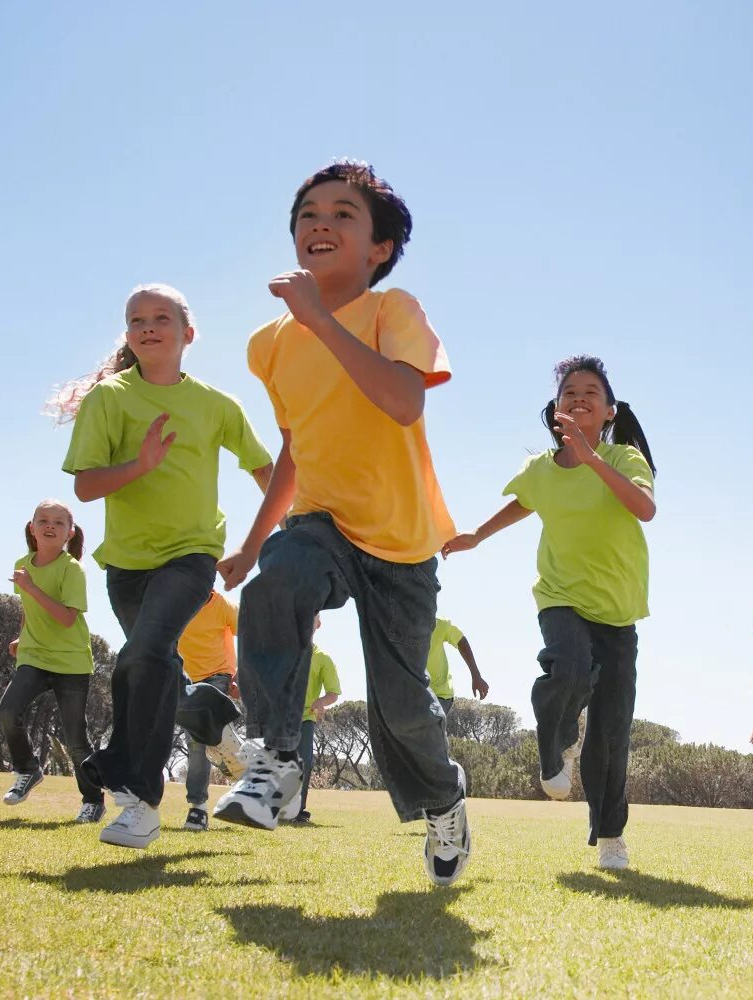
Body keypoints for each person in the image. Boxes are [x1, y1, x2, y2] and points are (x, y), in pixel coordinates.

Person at [215, 161, 472, 885]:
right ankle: (277, 761)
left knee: (401, 707)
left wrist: (321, 322)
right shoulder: (268, 345)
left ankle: (444, 798)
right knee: (277, 582)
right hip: (321, 519)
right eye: (308, 213)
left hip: (400, 540)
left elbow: (403, 401)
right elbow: (295, 448)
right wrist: (253, 543)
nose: (320, 223)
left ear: (379, 249)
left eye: (343, 214)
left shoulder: (395, 311)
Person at [57, 284, 274, 848]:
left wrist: (260, 542)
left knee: (144, 654)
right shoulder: (110, 399)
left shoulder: (217, 405)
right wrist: (140, 463)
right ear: (127, 334)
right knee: (155, 672)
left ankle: (137, 799)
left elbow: (264, 470)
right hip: (127, 565)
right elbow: (85, 486)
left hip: (192, 554)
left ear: (187, 333)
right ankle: (218, 726)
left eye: (161, 318)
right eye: (136, 320)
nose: (148, 327)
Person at [445, 355, 656, 871]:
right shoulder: (540, 469)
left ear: (609, 412)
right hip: (560, 596)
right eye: (569, 392)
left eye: (591, 392)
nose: (578, 397)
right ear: (555, 408)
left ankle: (609, 836)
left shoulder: (626, 458)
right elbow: (524, 502)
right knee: (568, 664)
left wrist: (592, 459)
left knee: (610, 734)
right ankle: (554, 743)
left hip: (618, 611)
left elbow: (644, 508)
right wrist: (477, 535)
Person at [0, 501, 105, 823]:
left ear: (69, 533)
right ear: (32, 528)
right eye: (43, 520)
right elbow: (29, 608)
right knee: (7, 711)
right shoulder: (22, 564)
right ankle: (28, 769)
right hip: (34, 655)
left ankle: (93, 801)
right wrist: (21, 636)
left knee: (75, 739)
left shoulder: (72, 569)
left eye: (59, 522)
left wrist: (29, 586)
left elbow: (66, 619)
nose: (50, 525)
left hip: (71, 662)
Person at [178, 590, 240, 831]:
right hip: (185, 679)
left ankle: (197, 809)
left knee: (197, 742)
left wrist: (242, 674)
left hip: (217, 675)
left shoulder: (223, 605)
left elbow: (251, 632)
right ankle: (229, 761)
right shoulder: (175, 601)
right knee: (201, 743)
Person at [294, 618, 343, 824]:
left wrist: (320, 702)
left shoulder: (323, 658)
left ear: (318, 625)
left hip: (305, 718)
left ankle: (297, 810)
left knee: (304, 762)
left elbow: (333, 693)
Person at [426, 617, 489, 723]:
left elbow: (461, 640)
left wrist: (476, 676)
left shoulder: (439, 624)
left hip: (439, 695)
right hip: (410, 692)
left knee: (425, 727)